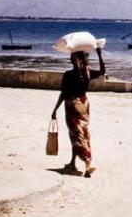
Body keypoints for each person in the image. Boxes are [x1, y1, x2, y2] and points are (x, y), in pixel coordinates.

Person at [52, 46, 106, 177]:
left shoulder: (68, 75)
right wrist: (99, 54)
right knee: (82, 133)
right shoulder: (86, 73)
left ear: (72, 60)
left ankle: (88, 164)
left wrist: (55, 109)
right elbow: (102, 71)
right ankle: (72, 162)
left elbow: (63, 94)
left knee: (77, 136)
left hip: (72, 107)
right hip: (84, 106)